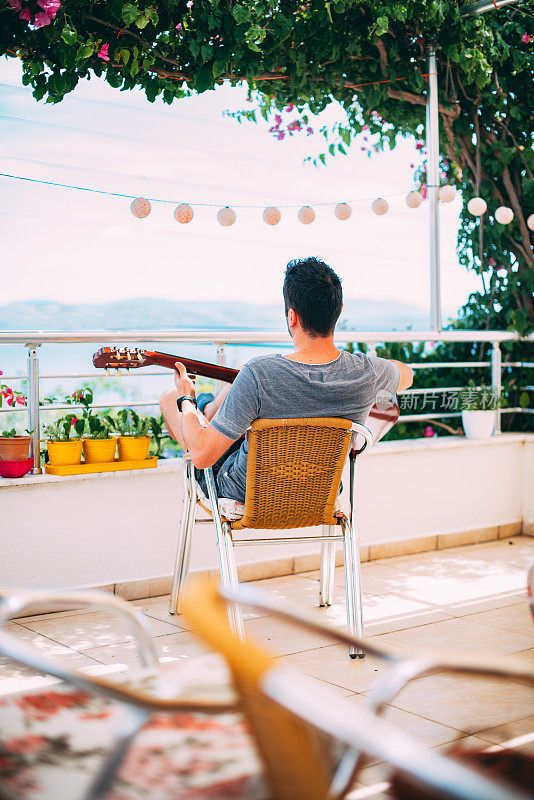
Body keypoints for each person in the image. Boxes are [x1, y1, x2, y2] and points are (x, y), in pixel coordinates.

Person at [159, 257, 414, 502]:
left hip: (246, 494)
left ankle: (201, 407)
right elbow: (408, 375)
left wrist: (187, 399)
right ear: (339, 311)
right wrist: (380, 367)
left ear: (292, 316)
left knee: (170, 400)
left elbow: (203, 457)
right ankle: (209, 409)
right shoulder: (368, 372)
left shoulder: (259, 373)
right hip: (320, 495)